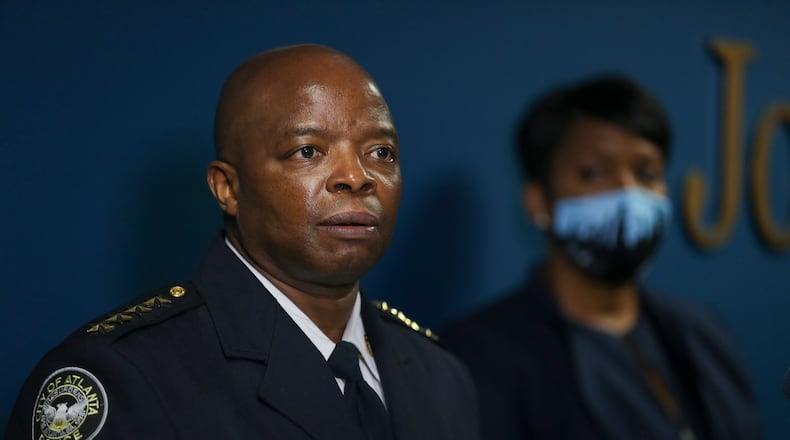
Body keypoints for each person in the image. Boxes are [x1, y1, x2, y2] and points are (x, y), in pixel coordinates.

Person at [5, 44, 478, 440]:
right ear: (228, 189)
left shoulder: (441, 376)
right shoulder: (124, 377)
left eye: (381, 152)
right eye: (307, 151)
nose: (357, 177)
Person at [442, 75, 761, 440]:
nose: (627, 193)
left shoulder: (704, 333)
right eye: (594, 173)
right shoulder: (479, 357)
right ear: (538, 201)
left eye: (647, 172)